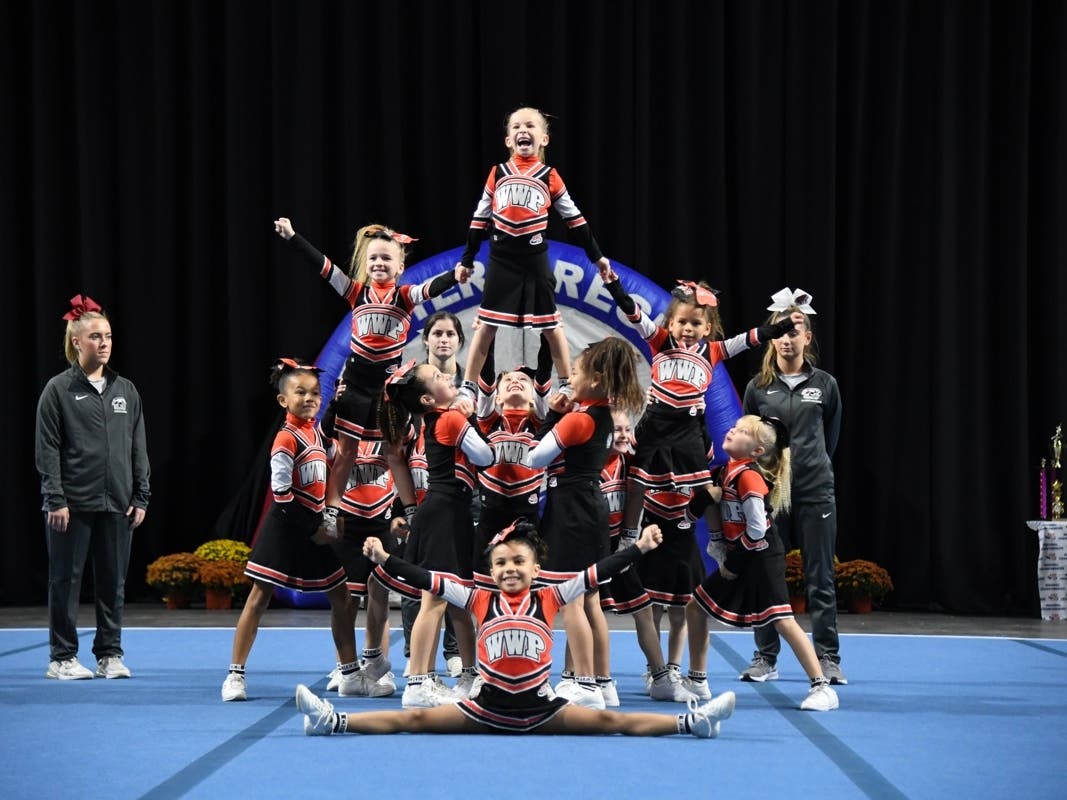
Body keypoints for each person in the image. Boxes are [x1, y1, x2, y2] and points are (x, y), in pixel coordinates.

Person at [295, 521, 737, 738]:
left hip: (542, 710)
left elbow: (597, 570)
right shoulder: (478, 598)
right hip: (486, 708)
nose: (509, 569)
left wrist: (637, 548)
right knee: (413, 718)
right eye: (501, 563)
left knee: (610, 719)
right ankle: (333, 721)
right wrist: (385, 559)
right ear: (490, 571)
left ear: (536, 568)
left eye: (518, 562)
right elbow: (426, 579)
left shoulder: (549, 597)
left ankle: (689, 723)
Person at [273, 217, 465, 539]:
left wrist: (456, 277)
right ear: (366, 263)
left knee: (393, 453)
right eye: (373, 258)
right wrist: (293, 237)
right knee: (346, 451)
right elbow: (324, 266)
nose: (379, 263)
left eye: (386, 258)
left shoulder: (404, 296)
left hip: (388, 389)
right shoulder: (355, 291)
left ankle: (411, 511)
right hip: (357, 385)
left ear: (400, 266)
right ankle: (331, 512)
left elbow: (431, 288)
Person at [601, 269, 798, 544]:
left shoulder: (714, 351)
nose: (688, 329)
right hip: (656, 423)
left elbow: (751, 338)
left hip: (688, 427)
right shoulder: (659, 340)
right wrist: (612, 283)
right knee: (637, 484)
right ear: (670, 323)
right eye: (682, 322)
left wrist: (783, 326)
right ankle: (628, 537)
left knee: (706, 487)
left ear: (707, 328)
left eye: (696, 323)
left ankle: (717, 540)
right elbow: (632, 311)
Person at [452, 106, 612, 411]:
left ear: (545, 139)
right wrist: (468, 259)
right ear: (508, 140)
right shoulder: (497, 173)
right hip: (502, 257)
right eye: (516, 127)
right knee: (486, 325)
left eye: (530, 126)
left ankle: (566, 384)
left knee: (551, 326)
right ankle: (469, 388)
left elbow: (575, 219)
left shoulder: (549, 176)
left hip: (535, 257)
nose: (523, 130)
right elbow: (479, 218)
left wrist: (598, 257)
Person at [221, 360, 357, 702]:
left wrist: (328, 515)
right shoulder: (285, 438)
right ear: (283, 400)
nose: (310, 398)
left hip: (312, 525)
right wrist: (316, 527)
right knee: (258, 598)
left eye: (315, 393)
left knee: (341, 597)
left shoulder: (314, 431)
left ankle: (350, 670)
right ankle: (235, 675)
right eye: (300, 392)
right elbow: (282, 495)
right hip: (285, 527)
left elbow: (327, 470)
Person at [683, 415, 839, 712]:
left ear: (757, 451)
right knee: (696, 606)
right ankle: (697, 679)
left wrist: (734, 563)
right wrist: (704, 499)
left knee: (782, 620)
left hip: (761, 558)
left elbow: (757, 531)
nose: (732, 430)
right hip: (740, 557)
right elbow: (690, 516)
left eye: (742, 431)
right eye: (735, 426)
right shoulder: (722, 472)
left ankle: (822, 687)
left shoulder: (749, 477)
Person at [525, 337, 646, 709]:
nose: (569, 380)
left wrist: (552, 415)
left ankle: (586, 685)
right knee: (590, 599)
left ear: (595, 378)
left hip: (572, 511)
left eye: (573, 374)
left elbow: (534, 458)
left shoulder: (579, 418)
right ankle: (602, 682)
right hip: (588, 507)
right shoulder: (607, 413)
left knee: (570, 600)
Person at [36, 294, 150, 680]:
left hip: (118, 503)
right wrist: (55, 498)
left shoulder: (126, 390)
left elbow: (138, 447)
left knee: (113, 582)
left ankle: (109, 654)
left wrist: (141, 495)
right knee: (65, 581)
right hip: (72, 503)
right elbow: (47, 448)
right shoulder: (58, 390)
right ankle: (62, 658)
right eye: (96, 337)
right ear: (77, 343)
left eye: (108, 336)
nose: (104, 343)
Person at [740, 288, 846, 685]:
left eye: (795, 330)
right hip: (769, 494)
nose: (787, 338)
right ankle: (765, 657)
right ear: (772, 337)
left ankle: (828, 658)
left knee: (821, 576)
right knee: (767, 575)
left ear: (807, 337)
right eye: (781, 331)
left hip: (816, 490)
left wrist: (810, 468)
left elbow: (829, 439)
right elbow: (751, 441)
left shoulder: (826, 385)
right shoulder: (756, 388)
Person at [378, 360, 496, 708]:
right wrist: (471, 415)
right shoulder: (450, 419)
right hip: (444, 513)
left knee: (458, 599)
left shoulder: (439, 419)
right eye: (439, 377)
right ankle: (419, 681)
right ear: (428, 400)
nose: (447, 377)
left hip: (451, 512)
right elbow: (486, 456)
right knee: (436, 599)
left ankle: (470, 674)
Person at [396, 311, 467, 678]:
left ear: (459, 341)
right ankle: (414, 658)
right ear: (425, 340)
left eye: (450, 333)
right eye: (436, 333)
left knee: (459, 580)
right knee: (420, 585)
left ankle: (455, 652)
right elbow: (395, 455)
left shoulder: (469, 389)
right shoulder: (412, 387)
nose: (443, 339)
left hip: (461, 498)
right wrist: (408, 507)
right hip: (424, 502)